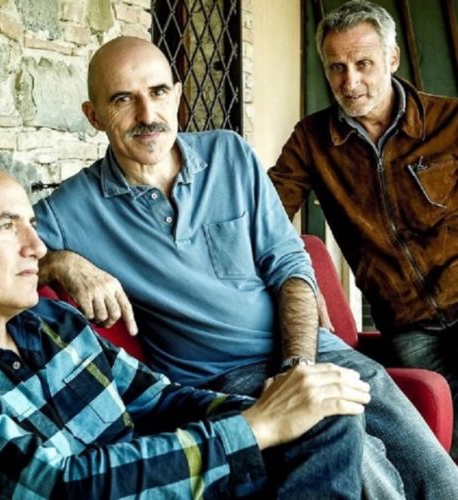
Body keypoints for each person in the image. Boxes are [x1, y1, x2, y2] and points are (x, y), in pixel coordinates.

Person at [33, 35, 458, 497]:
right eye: (122, 100)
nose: (147, 114)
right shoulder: (71, 208)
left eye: (157, 92)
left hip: (313, 349)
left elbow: (288, 263)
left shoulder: (229, 153)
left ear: (177, 95)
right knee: (358, 454)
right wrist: (59, 262)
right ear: (94, 115)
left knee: (436, 474)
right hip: (220, 381)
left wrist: (298, 366)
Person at [0, 159, 375, 498]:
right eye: (6, 226)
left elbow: (155, 398)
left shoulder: (55, 323)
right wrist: (254, 428)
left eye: (32, 224)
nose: (37, 247)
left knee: (327, 416)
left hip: (172, 480)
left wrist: (273, 410)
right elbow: (60, 487)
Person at [268, 0, 458, 459]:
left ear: (392, 59)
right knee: (443, 450)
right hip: (409, 325)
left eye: (363, 64)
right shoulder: (312, 140)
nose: (350, 82)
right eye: (337, 67)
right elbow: (265, 216)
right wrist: (299, 277)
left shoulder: (450, 122)